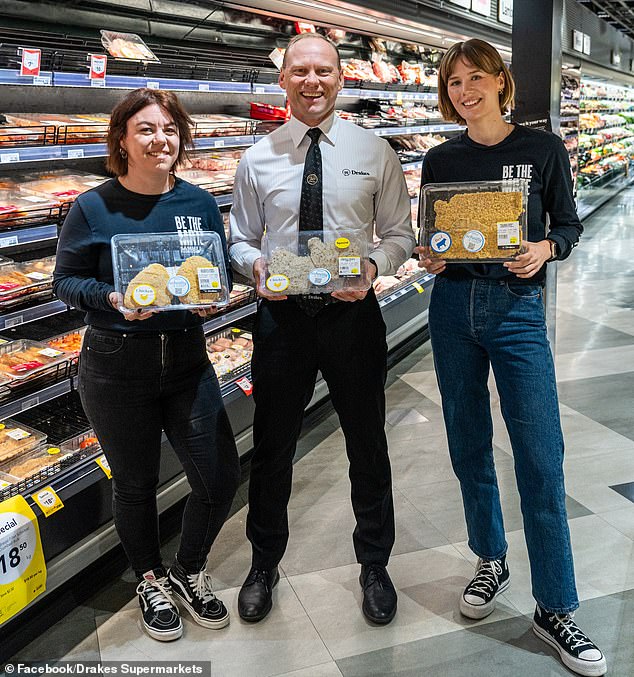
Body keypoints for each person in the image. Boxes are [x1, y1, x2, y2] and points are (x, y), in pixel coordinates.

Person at [417, 39, 606, 677]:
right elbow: (435, 233)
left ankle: (556, 607)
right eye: (454, 83)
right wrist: (432, 254)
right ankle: (490, 558)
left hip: (516, 309)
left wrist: (547, 247)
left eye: (476, 79)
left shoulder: (542, 148)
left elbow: (570, 225)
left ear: (501, 81)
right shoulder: (441, 158)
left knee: (539, 451)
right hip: (452, 306)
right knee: (468, 444)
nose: (465, 92)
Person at [229, 33, 414, 625]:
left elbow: (400, 235)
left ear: (341, 79)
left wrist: (371, 267)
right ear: (282, 80)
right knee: (273, 447)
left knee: (367, 442)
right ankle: (263, 564)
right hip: (282, 320)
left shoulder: (375, 150)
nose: (313, 81)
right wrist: (253, 267)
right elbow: (239, 238)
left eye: (324, 71)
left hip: (351, 316)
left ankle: (375, 564)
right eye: (300, 71)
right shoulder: (257, 158)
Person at [53, 88, 240, 642]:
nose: (161, 139)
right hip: (115, 364)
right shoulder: (93, 206)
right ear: (122, 141)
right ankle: (150, 580)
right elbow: (64, 282)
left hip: (187, 358)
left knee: (219, 476)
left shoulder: (200, 202)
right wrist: (111, 298)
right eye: (146, 130)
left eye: (169, 129)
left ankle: (187, 570)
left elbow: (216, 269)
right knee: (135, 484)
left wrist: (216, 293)